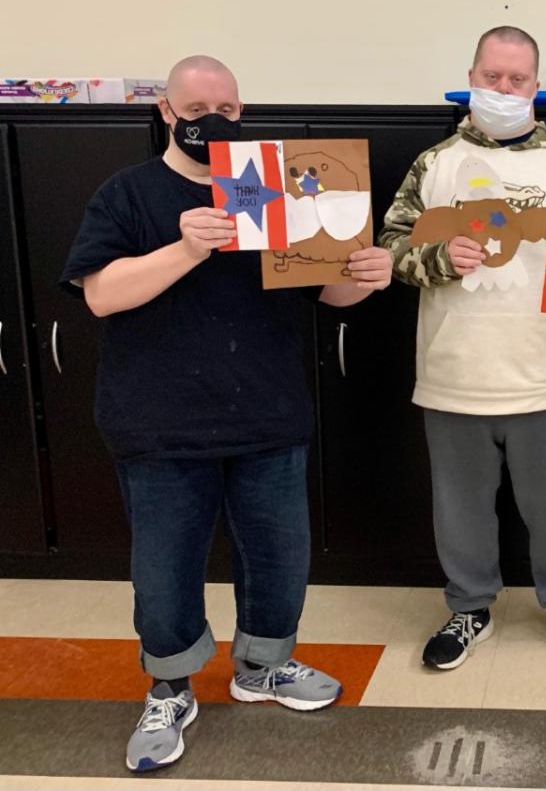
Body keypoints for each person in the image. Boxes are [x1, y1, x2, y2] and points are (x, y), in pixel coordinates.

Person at [60, 55, 394, 772]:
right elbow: (101, 294)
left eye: (228, 109)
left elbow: (328, 289)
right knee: (165, 571)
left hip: (268, 413)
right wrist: (187, 247)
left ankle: (263, 667)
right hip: (159, 423)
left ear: (242, 112)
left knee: (279, 556)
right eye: (194, 108)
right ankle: (169, 687)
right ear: (166, 113)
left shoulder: (279, 188)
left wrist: (366, 276)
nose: (213, 120)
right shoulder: (128, 193)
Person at [379, 26, 546, 670]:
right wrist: (439, 257)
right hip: (455, 376)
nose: (503, 88)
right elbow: (391, 248)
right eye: (492, 76)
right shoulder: (435, 163)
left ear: (535, 86)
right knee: (459, 511)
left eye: (517, 79)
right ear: (471, 77)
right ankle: (469, 608)